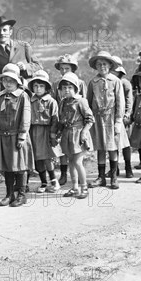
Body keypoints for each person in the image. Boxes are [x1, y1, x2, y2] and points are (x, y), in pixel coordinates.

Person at [0, 64, 34, 207]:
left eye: (11, 80)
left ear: (17, 82)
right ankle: (9, 194)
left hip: (17, 136)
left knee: (20, 166)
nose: (7, 83)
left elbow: (26, 117)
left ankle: (21, 195)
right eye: (5, 80)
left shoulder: (23, 96)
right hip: (3, 136)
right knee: (7, 166)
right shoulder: (0, 96)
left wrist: (22, 135)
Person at [87, 51, 125, 190]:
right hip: (98, 119)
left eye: (104, 64)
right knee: (101, 148)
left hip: (111, 117)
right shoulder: (93, 82)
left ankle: (114, 177)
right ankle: (101, 177)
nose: (102, 66)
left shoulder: (116, 81)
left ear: (110, 65)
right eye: (99, 64)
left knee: (112, 147)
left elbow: (120, 101)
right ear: (96, 66)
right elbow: (89, 102)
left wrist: (118, 121)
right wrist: (89, 119)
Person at [57, 72, 94, 199]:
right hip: (67, 135)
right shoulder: (62, 103)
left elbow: (90, 119)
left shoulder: (81, 101)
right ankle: (74, 188)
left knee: (78, 162)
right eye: (64, 88)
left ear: (76, 89)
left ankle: (84, 187)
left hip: (78, 135)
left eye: (70, 87)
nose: (67, 90)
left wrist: (84, 132)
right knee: (71, 162)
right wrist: (57, 133)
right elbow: (61, 120)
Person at [52, 54, 87, 186]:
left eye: (67, 68)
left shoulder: (80, 83)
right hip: (63, 118)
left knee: (76, 157)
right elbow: (56, 102)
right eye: (61, 68)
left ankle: (81, 183)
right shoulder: (57, 84)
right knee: (64, 152)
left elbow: (84, 104)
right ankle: (64, 174)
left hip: (77, 123)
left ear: (72, 69)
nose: (64, 71)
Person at [0, 16, 42, 95]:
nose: (2, 33)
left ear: (10, 31)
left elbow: (39, 66)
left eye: (5, 30)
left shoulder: (24, 46)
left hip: (26, 92)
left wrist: (26, 67)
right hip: (7, 96)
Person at [28, 70, 61, 193]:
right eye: (35, 86)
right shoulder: (30, 101)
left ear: (46, 87)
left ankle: (54, 180)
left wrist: (53, 135)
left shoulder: (51, 101)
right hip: (33, 131)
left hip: (46, 131)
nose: (38, 89)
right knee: (37, 158)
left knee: (47, 158)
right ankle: (43, 182)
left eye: (41, 86)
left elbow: (54, 119)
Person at [111, 55, 134, 178]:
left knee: (125, 144)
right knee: (113, 144)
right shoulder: (108, 83)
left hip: (123, 118)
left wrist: (127, 115)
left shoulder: (124, 83)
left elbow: (129, 101)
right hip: (111, 118)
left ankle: (128, 167)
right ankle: (115, 168)